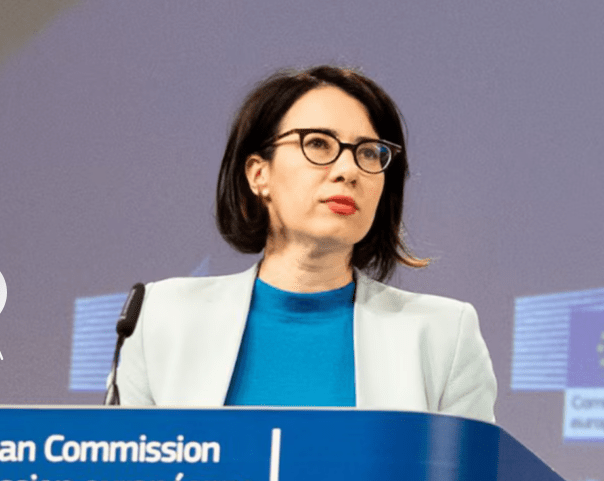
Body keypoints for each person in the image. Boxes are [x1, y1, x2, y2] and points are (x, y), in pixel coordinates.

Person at [116, 66, 496, 423]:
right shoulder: (159, 319)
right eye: (317, 143)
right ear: (259, 174)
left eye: (368, 152)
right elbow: (124, 467)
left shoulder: (445, 336)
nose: (348, 171)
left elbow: (470, 472)